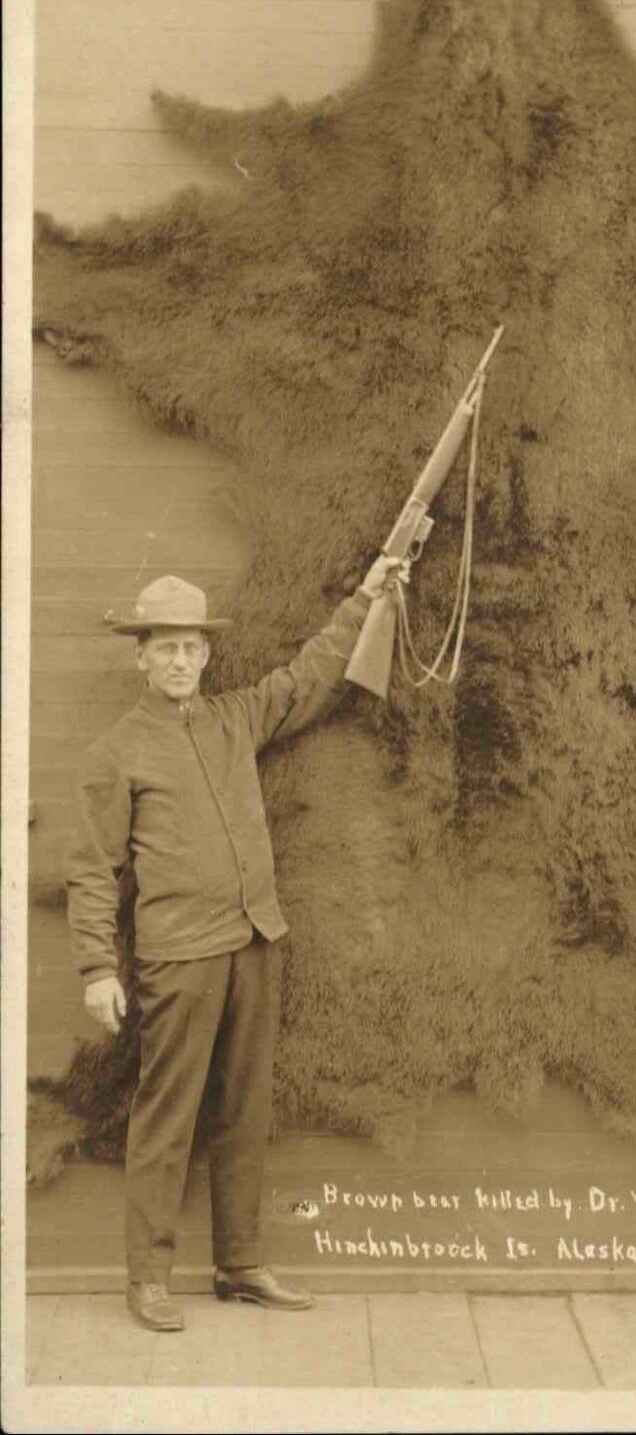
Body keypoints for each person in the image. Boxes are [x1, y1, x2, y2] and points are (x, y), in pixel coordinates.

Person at [65, 561, 396, 1332]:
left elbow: (313, 673)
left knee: (246, 1112)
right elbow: (91, 870)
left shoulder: (235, 717)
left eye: (191, 648)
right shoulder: (114, 754)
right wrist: (93, 968)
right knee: (167, 1116)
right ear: (139, 657)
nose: (180, 662)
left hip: (255, 941)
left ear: (207, 656)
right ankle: (148, 1279)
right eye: (165, 649)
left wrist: (372, 592)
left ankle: (240, 1264)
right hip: (178, 956)